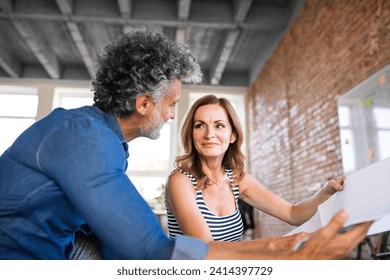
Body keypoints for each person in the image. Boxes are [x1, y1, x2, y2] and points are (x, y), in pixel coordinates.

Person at [0, 28, 370, 260]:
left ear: (232, 135)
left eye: (219, 125)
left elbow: (117, 242)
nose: (174, 115)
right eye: (173, 105)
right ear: (144, 104)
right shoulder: (84, 139)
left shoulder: (103, 142)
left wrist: (312, 213)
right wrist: (284, 251)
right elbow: (152, 250)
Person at [165, 94, 346, 242]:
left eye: (219, 126)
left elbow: (293, 214)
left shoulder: (238, 180)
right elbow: (207, 250)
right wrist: (277, 245)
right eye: (199, 126)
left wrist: (325, 193)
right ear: (192, 134)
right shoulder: (180, 182)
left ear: (233, 135)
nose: (209, 134)